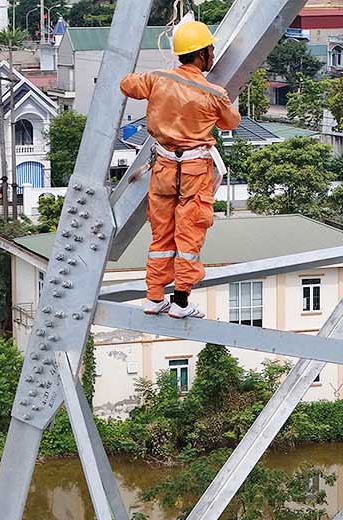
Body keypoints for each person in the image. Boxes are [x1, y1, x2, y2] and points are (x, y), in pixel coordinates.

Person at [120, 20, 240, 320]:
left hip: (162, 166)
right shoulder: (213, 93)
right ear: (201, 55)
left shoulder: (157, 79)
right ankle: (181, 301)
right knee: (189, 233)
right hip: (193, 169)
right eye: (210, 49)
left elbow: (126, 84)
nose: (213, 54)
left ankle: (154, 296)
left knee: (161, 234)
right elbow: (230, 123)